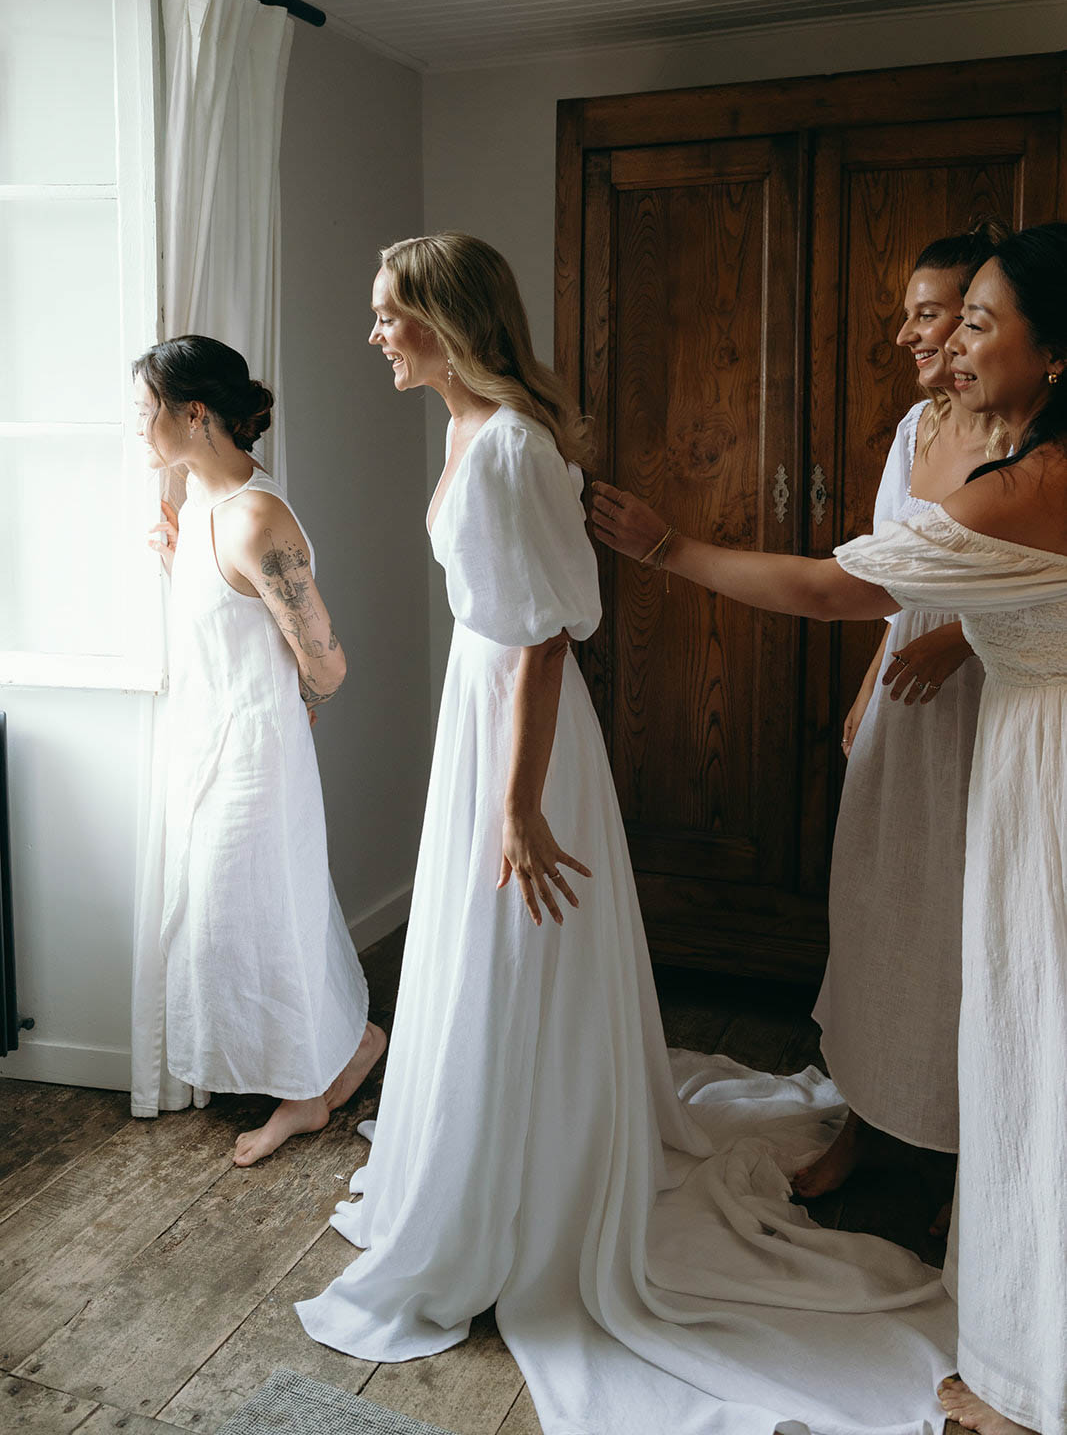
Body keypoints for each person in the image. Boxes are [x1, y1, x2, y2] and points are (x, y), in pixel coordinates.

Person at [298, 233, 956, 1435]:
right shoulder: (466, 430)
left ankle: (523, 1179)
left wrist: (517, 804)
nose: (376, 335)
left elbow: (547, 636)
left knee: (517, 948)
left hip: (521, 741)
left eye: (391, 314)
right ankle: (483, 1149)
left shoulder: (506, 445)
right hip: (481, 718)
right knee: (489, 952)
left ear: (449, 322)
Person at [592, 222, 1067, 1435]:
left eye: (977, 320)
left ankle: (1034, 1377)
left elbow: (833, 586)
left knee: (1038, 1046)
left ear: (1054, 352)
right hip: (1030, 746)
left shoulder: (1031, 484)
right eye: (948, 318)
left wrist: (669, 546)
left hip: (1044, 760)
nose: (949, 339)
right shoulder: (1022, 463)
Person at [134, 336, 385, 1167]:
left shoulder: (256, 516)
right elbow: (234, 620)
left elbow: (327, 662)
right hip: (208, 741)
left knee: (254, 917)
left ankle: (305, 1095)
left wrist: (300, 706)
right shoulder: (200, 503)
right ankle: (348, 1048)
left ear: (193, 413)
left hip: (252, 755)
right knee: (245, 916)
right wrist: (181, 568)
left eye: (147, 411)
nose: (140, 429)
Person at [797, 225, 1008, 1211]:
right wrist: (863, 689)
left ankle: (963, 1150)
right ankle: (864, 1115)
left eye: (927, 312)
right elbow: (883, 582)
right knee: (877, 904)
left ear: (979, 320)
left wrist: (957, 637)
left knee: (960, 923)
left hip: (983, 701)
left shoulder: (1020, 431)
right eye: (912, 312)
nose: (906, 333)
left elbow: (1042, 575)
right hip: (898, 697)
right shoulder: (906, 431)